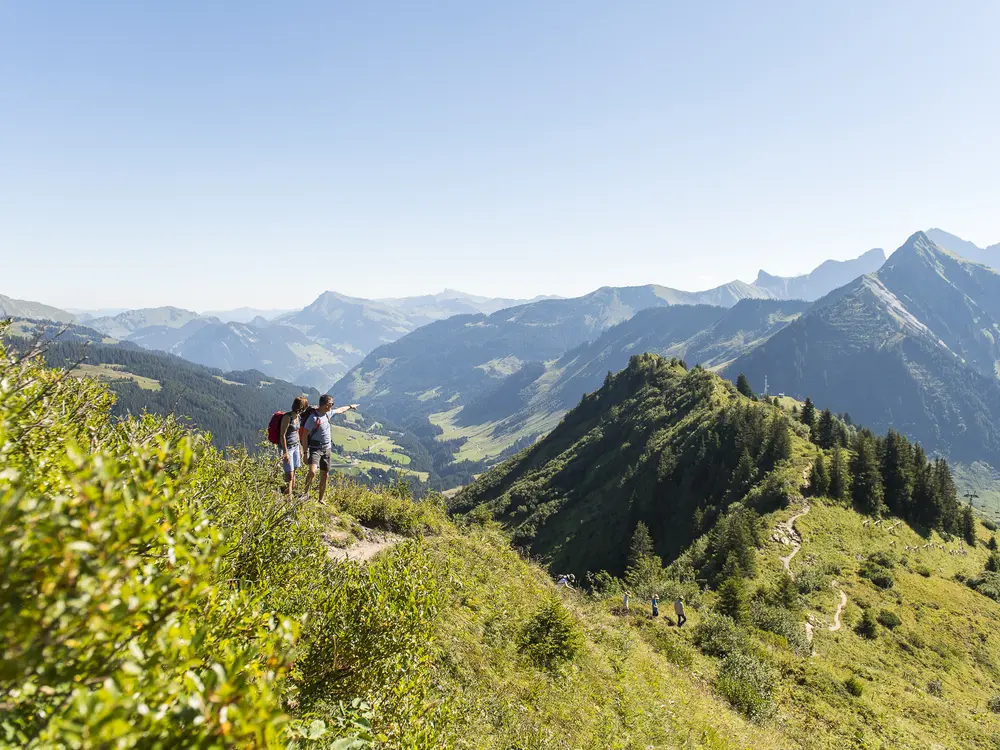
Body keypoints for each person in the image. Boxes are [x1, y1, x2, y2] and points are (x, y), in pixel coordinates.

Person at [301, 395, 359, 504]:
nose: (333, 406)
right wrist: (305, 453)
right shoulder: (312, 418)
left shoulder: (328, 413)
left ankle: (320, 499)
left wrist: (351, 406)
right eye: (331, 404)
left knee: (325, 474)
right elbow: (304, 435)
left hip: (327, 448)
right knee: (312, 472)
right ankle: (305, 494)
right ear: (325, 404)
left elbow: (340, 410)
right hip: (315, 449)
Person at [278, 395, 309, 499]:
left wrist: (299, 447)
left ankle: (290, 494)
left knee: (294, 471)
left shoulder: (298, 417)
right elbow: (282, 435)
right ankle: (288, 500)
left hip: (295, 446)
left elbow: (296, 432)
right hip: (288, 448)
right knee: (289, 475)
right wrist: (285, 452)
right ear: (302, 407)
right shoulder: (288, 417)